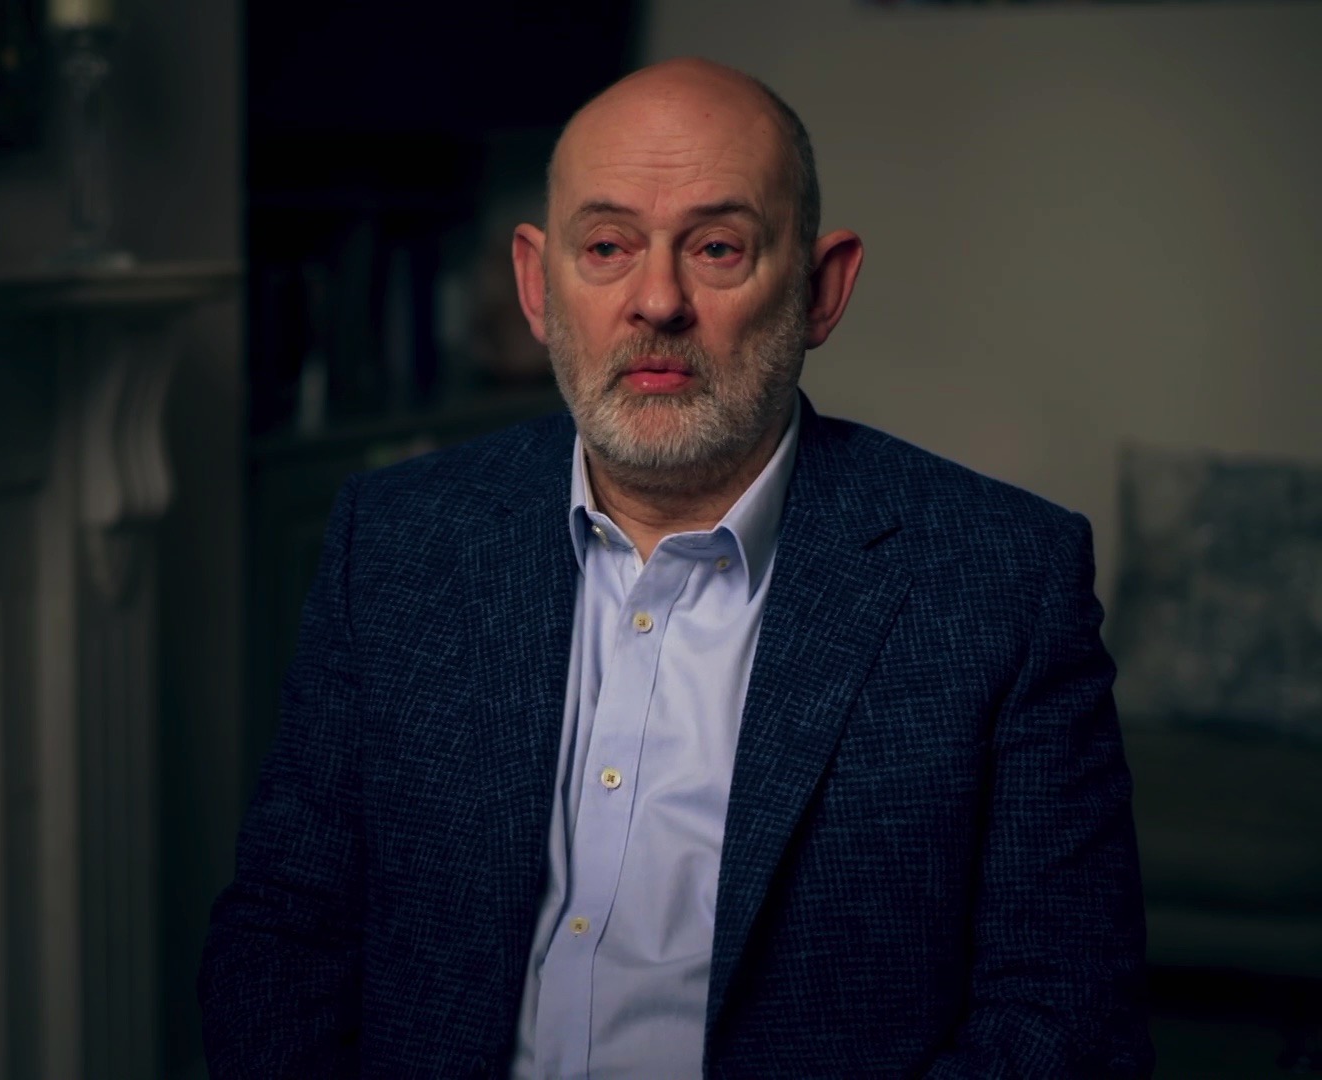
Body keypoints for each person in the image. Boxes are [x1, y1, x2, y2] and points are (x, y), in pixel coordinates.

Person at [200, 57, 1150, 1078]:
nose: (657, 301)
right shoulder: (393, 539)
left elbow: (1065, 1022)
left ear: (821, 289)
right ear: (537, 285)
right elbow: (285, 930)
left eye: (717, 247)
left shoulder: (1003, 581)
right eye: (607, 247)